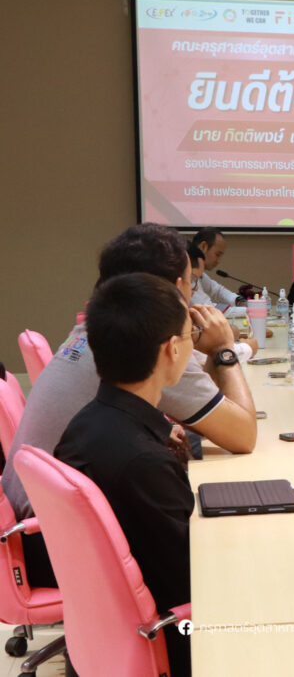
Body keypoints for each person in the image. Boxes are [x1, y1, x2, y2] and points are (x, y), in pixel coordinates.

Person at [2, 224, 257, 587]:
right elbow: (242, 436)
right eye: (190, 282)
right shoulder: (146, 347)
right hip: (57, 540)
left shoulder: (98, 334)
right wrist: (224, 349)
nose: (193, 296)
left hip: (36, 522)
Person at [53, 273, 195, 677]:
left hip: (106, 634)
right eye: (192, 336)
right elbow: (195, 578)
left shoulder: (86, 422)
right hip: (176, 636)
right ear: (171, 349)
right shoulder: (144, 462)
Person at [190, 227, 243, 306]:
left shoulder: (197, 272)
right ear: (203, 246)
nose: (218, 261)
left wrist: (239, 301)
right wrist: (250, 309)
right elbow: (208, 308)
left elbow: (217, 290)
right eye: (217, 254)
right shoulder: (186, 271)